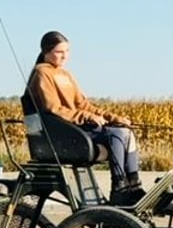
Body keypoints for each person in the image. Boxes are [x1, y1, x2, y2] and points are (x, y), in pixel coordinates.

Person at [24, 30, 145, 206]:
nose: (64, 56)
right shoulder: (42, 74)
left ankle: (133, 185)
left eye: (67, 51)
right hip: (64, 133)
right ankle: (119, 188)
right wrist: (86, 116)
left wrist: (114, 117)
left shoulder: (65, 74)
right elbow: (54, 108)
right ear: (46, 51)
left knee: (125, 131)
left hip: (77, 129)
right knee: (117, 135)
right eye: (59, 52)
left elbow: (83, 104)